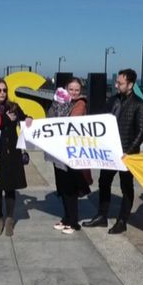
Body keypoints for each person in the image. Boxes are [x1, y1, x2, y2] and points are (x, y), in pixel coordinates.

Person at [82, 68, 143, 235]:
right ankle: (101, 216)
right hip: (109, 152)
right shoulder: (112, 101)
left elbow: (141, 132)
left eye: (120, 83)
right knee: (104, 182)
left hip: (127, 155)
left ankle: (122, 220)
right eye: (117, 82)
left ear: (131, 84)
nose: (116, 85)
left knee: (126, 187)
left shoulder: (139, 105)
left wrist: (129, 151)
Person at [0, 78, 32, 236]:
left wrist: (29, 118)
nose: (2, 93)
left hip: (12, 153)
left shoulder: (14, 107)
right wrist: (5, 119)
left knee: (10, 188)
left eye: (4, 90)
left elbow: (24, 120)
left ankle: (10, 219)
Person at [47, 78, 91, 234]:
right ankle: (66, 218)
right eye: (71, 89)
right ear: (65, 89)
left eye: (77, 90)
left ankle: (73, 222)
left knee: (71, 189)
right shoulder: (58, 103)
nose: (74, 92)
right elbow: (50, 117)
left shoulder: (79, 103)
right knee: (63, 187)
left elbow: (72, 122)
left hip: (72, 153)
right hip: (59, 152)